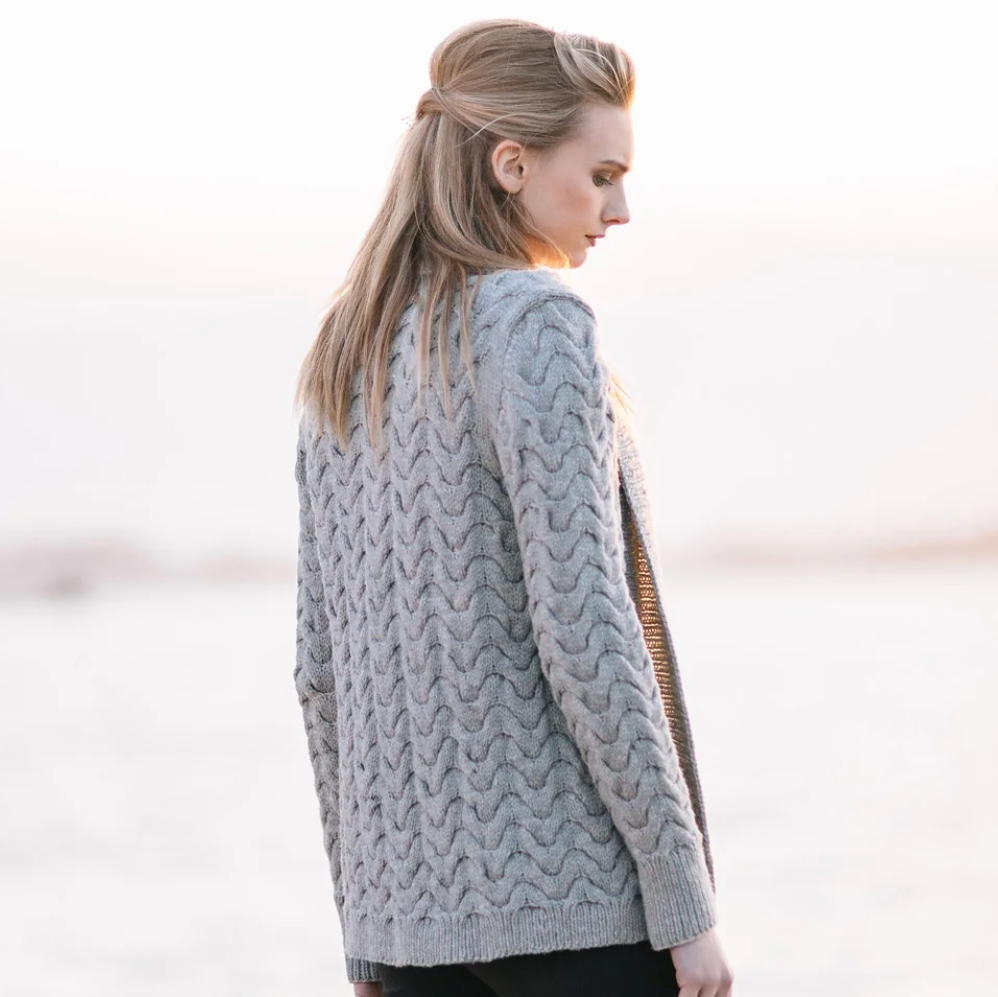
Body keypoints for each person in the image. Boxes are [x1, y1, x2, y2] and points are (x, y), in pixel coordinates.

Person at [292, 18, 734, 997]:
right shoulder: (534, 321)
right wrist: (684, 902)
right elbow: (586, 632)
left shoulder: (345, 355)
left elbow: (320, 672)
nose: (619, 209)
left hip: (409, 938)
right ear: (510, 164)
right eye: (602, 175)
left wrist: (364, 932)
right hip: (577, 915)